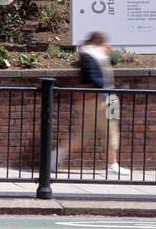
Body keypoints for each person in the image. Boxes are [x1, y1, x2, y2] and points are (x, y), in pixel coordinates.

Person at [54, 31, 129, 176]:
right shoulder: (92, 55)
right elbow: (95, 79)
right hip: (103, 99)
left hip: (101, 99)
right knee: (112, 132)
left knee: (81, 135)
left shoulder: (93, 54)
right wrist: (105, 83)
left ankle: (54, 157)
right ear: (99, 42)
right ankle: (112, 164)